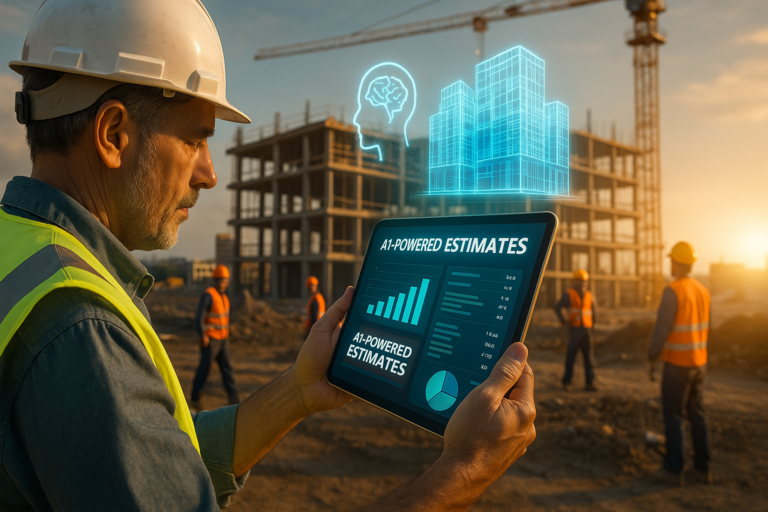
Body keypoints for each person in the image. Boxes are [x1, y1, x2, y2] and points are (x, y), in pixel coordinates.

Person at [0, 1, 536, 509]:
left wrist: (297, 393)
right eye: (195, 139)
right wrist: (466, 468)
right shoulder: (81, 326)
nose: (210, 173)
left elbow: (155, 465)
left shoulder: (21, 249)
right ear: (113, 134)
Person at [648, 241, 712, 486]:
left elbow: (662, 329)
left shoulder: (673, 290)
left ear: (675, 262)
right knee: (697, 414)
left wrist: (652, 356)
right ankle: (702, 468)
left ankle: (674, 469)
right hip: (699, 363)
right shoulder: (703, 290)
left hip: (677, 364)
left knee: (673, 415)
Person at [191, 265, 239, 410]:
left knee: (227, 369)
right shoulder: (209, 295)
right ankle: (195, 397)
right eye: (221, 280)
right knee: (204, 369)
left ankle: (234, 398)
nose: (223, 282)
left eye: (225, 280)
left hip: (223, 340)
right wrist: (203, 335)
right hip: (211, 340)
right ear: (216, 280)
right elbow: (199, 318)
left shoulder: (224, 297)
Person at [554, 269, 598, 391]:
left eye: (584, 281)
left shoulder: (589, 295)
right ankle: (567, 382)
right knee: (571, 357)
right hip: (575, 330)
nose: (582, 283)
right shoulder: (568, 294)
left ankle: (590, 383)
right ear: (574, 281)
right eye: (580, 281)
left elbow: (594, 313)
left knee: (589, 358)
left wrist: (592, 328)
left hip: (587, 331)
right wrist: (563, 320)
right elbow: (558, 307)